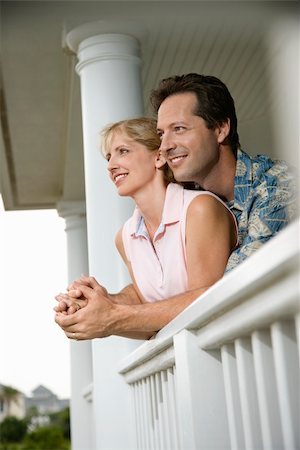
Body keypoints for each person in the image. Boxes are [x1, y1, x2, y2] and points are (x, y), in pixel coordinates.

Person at [55, 73, 297, 340]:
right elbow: (167, 291)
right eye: (161, 133)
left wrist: (114, 316)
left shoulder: (277, 188)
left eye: (179, 129)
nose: (166, 145)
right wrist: (100, 303)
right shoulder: (186, 199)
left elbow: (224, 292)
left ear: (220, 129)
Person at [55, 116, 237, 340]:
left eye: (123, 151)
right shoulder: (124, 237)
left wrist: (113, 316)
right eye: (109, 157)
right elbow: (150, 323)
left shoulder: (199, 208)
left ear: (159, 157)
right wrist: (94, 311)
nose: (111, 166)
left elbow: (204, 303)